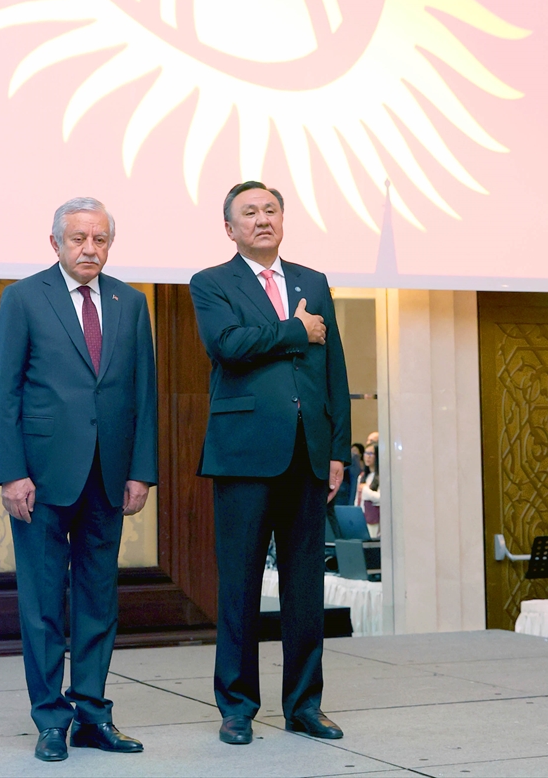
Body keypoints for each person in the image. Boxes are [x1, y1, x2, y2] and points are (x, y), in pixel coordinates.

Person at [0, 197, 157, 763]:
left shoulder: (131, 302)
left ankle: (92, 714)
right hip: (40, 478)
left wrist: (141, 471)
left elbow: (143, 392)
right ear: (56, 243)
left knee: (98, 601)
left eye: (100, 239)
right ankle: (50, 720)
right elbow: (4, 392)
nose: (90, 248)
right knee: (42, 604)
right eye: (79, 238)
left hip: (109, 476)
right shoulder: (23, 298)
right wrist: (12, 473)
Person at [189, 181, 352, 747]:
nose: (262, 219)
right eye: (249, 213)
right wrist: (295, 331)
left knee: (305, 586)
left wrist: (337, 450)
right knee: (239, 585)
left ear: (283, 219)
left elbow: (334, 368)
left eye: (271, 210)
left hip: (309, 452)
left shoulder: (313, 281)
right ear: (229, 228)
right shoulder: (211, 282)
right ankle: (237, 707)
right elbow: (228, 345)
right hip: (243, 454)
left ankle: (305, 705)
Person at [356, 443, 380, 537]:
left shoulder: (381, 476)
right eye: (366, 453)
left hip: (374, 518)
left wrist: (365, 489)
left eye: (371, 454)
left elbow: (381, 498)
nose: (367, 457)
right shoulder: (362, 476)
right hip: (361, 518)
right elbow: (357, 499)